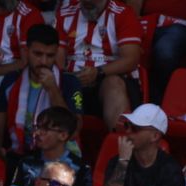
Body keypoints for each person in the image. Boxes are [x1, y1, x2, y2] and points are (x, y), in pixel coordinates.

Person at [0, 23, 83, 157]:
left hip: (59, 158)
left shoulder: (70, 82)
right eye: (38, 54)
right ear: (26, 51)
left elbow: (74, 130)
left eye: (50, 55)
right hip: (19, 154)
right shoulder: (11, 80)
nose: (44, 61)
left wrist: (53, 90)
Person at [53, 0, 144, 128]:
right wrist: (70, 78)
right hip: (73, 81)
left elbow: (131, 59)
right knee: (52, 80)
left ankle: (119, 138)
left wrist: (98, 72)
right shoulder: (64, 14)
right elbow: (57, 59)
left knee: (113, 84)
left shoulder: (123, 13)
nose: (88, 1)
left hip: (109, 78)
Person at [8, 108, 91, 186]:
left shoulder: (81, 168)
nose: (37, 133)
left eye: (45, 129)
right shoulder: (27, 162)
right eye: (37, 127)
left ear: (63, 135)